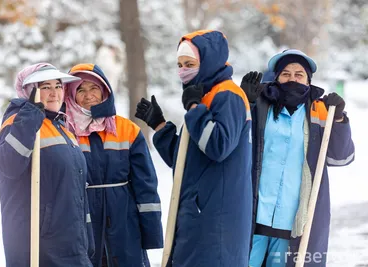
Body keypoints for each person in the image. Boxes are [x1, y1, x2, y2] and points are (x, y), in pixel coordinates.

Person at [135, 30, 253, 266]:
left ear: (209, 62)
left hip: (215, 219)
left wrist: (194, 107)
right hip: (199, 214)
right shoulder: (206, 95)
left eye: (190, 63)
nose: (183, 70)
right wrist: (160, 126)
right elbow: (186, 161)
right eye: (179, 64)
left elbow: (218, 146)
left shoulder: (227, 96)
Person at [240, 49, 355, 267]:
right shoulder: (260, 105)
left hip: (293, 219)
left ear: (308, 80)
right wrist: (245, 102)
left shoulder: (319, 110)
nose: (292, 78)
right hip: (254, 214)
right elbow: (236, 139)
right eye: (286, 73)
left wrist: (339, 119)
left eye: (299, 74)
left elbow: (341, 157)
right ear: (276, 78)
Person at [64, 63, 163, 267]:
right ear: (71, 95)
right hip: (83, 219)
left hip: (125, 220)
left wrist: (150, 230)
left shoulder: (127, 129)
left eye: (94, 88)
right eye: (80, 90)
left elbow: (146, 184)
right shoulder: (64, 130)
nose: (88, 95)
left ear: (105, 91)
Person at [0, 63, 94, 266]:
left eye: (58, 86)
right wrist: (30, 117)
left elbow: (77, 190)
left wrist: (87, 236)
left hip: (72, 243)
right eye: (45, 87)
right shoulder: (17, 122)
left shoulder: (63, 128)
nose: (54, 93)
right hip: (39, 246)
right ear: (30, 91)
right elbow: (8, 165)